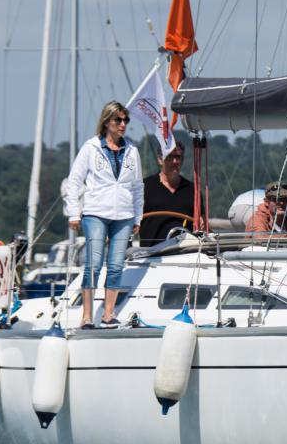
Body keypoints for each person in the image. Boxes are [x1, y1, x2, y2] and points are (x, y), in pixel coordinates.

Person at [64, 101, 144, 328]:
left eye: (126, 120)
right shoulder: (91, 148)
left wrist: (138, 216)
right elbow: (74, 181)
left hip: (124, 215)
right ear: (107, 121)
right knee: (94, 264)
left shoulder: (132, 150)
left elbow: (138, 186)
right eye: (118, 120)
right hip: (95, 213)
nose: (123, 124)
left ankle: (108, 314)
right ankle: (87, 316)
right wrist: (73, 213)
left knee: (117, 265)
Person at [140, 144, 206, 245]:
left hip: (186, 251)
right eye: (170, 157)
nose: (175, 161)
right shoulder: (144, 187)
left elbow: (202, 223)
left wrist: (202, 224)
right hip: (152, 252)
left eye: (178, 157)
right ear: (160, 160)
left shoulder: (193, 190)